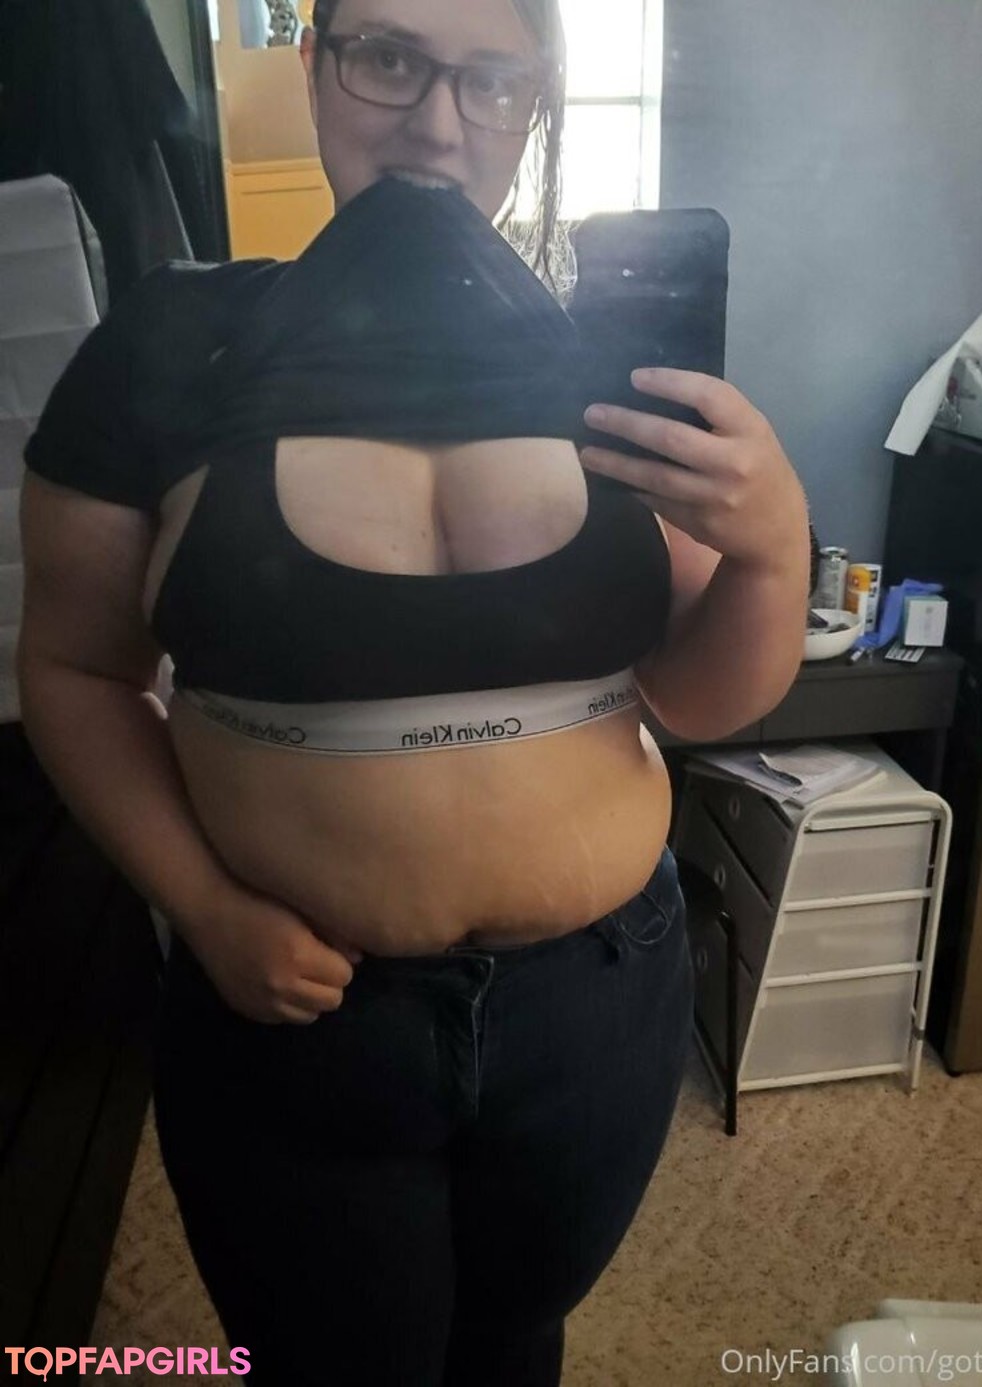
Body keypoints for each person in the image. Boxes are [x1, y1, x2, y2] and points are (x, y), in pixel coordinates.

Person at [17, 0, 810, 1382]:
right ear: (316, 65)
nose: (441, 124)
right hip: (295, 1012)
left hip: (597, 1001)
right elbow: (76, 669)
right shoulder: (172, 343)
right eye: (390, 60)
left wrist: (776, 544)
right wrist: (202, 909)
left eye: (494, 83)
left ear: (533, 104)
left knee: (515, 1345)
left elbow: (697, 698)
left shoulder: (604, 358)